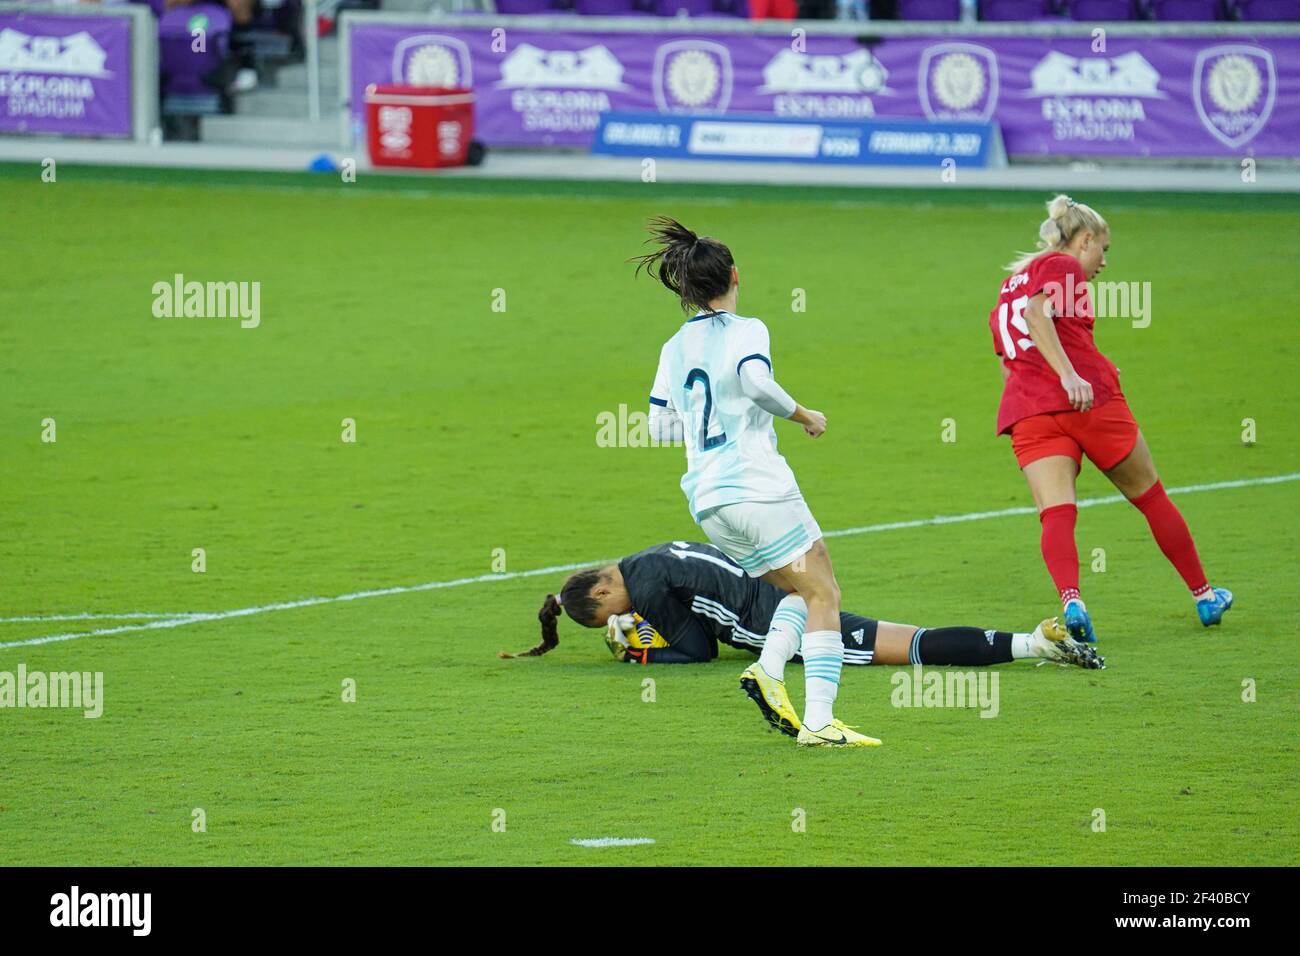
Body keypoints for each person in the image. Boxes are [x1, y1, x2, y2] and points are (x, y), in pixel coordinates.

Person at [630, 217, 870, 748]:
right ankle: (819, 721)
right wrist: (805, 414)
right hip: (758, 487)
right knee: (824, 590)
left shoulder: (673, 348)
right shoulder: (748, 330)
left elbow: (658, 425)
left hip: (709, 500)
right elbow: (755, 382)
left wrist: (707, 429)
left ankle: (767, 669)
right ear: (736, 276)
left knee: (797, 589)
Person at [498, 542, 1103, 741]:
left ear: (603, 597)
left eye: (609, 612)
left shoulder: (647, 590)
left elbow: (697, 651)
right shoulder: (645, 561)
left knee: (911, 646)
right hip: (780, 582)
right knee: (905, 639)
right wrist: (643, 631)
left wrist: (636, 650)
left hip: (776, 619)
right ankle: (1034, 643)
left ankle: (1034, 644)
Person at [989, 194, 1232, 644]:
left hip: (1028, 410)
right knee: (1150, 496)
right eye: (1104, 248)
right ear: (1084, 240)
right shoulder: (1060, 267)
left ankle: (1071, 600)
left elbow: (1011, 360)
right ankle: (1204, 595)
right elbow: (1038, 314)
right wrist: (1071, 375)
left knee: (1056, 513)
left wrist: (1076, 365)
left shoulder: (1009, 287)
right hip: (1088, 402)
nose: (1104, 262)